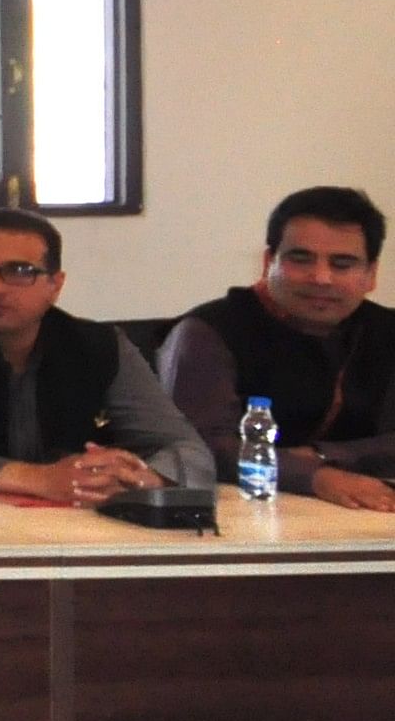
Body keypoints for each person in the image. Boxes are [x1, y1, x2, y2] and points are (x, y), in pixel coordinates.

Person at [0, 208, 214, 501]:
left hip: (77, 536)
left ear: (55, 285)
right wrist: (39, 480)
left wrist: (142, 478)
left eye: (19, 271)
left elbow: (190, 452)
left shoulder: (101, 346)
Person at [159, 185, 395, 512]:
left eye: (342, 264)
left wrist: (322, 456)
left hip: (367, 513)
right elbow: (199, 449)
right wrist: (314, 477)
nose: (321, 278)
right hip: (239, 515)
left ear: (371, 274)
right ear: (269, 261)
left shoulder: (385, 330)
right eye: (301, 259)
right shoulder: (209, 332)